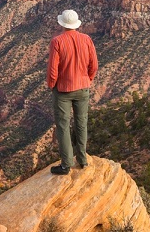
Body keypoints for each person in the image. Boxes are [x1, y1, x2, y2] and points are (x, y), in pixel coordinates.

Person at [46, 9, 98, 175]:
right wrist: (87, 79)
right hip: (83, 88)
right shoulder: (87, 39)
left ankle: (66, 164)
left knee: (63, 126)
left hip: (63, 90)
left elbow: (53, 69)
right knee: (81, 123)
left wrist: (51, 85)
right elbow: (94, 65)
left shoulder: (57, 41)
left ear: (62, 23)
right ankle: (82, 160)